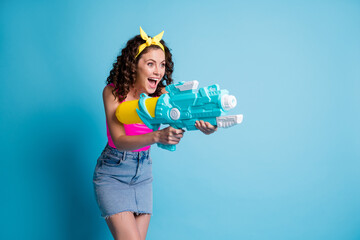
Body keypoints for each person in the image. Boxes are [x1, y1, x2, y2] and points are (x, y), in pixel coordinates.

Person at [93, 27, 217, 240]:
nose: (158, 72)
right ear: (133, 66)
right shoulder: (114, 92)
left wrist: (206, 125)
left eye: (162, 65)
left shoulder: (162, 96)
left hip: (143, 173)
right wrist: (157, 136)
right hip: (113, 172)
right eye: (150, 64)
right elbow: (118, 140)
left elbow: (187, 116)